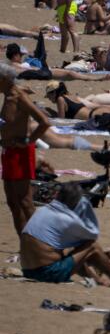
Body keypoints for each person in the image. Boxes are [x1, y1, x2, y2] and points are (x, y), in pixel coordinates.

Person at [18, 183, 110, 287]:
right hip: (47, 273)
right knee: (92, 247)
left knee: (77, 252)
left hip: (27, 271)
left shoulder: (42, 210)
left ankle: (98, 281)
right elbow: (91, 236)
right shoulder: (66, 219)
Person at [1, 64, 51, 234]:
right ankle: (25, 242)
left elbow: (44, 121)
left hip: (20, 153)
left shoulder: (19, 97)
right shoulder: (7, 96)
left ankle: (39, 242)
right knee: (12, 202)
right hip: (7, 152)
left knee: (25, 201)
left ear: (4, 79)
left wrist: (29, 141)